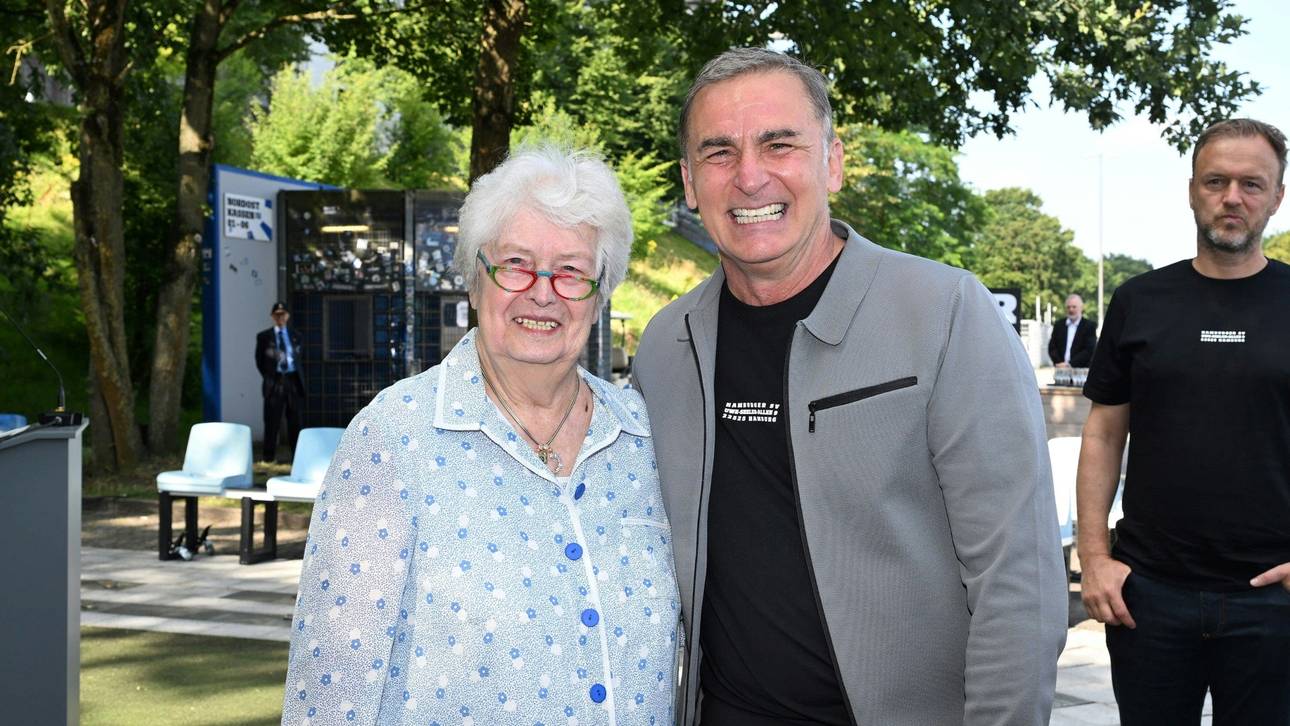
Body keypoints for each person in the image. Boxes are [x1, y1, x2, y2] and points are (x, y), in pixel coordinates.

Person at [633, 48, 1067, 726]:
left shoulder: (946, 314)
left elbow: (1020, 582)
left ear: (832, 162)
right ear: (689, 182)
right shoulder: (666, 346)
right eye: (719, 153)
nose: (749, 176)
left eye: (779, 145)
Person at [281, 146, 681, 725]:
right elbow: (331, 690)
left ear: (599, 297)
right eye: (516, 264)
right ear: (475, 282)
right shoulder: (394, 438)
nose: (543, 291)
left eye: (571, 271)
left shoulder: (643, 436)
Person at [1076, 118, 1290, 725]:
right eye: (1216, 181)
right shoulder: (1139, 301)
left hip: (1273, 600)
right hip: (1150, 596)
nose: (1232, 197)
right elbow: (1103, 434)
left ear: (1277, 197)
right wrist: (1094, 558)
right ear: (1192, 190)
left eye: (1252, 184)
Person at [256, 301, 305, 462]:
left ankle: (297, 458)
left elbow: (299, 359)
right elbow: (259, 361)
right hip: (275, 382)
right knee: (272, 421)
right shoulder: (264, 337)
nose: (280, 317)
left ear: (287, 316)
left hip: (293, 381)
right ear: (272, 316)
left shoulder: (296, 336)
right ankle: (268, 458)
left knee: (295, 421)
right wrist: (271, 376)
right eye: (277, 315)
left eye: (283, 314)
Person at [1047, 293, 1097, 368]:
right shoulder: (1058, 325)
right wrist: (1059, 363)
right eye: (1068, 307)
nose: (1071, 309)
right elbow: (1052, 347)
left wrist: (1070, 364)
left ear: (1081, 308)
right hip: (1061, 369)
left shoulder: (1089, 326)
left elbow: (1089, 350)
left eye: (1074, 307)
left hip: (1081, 370)